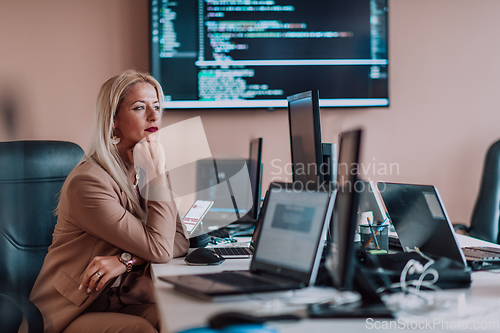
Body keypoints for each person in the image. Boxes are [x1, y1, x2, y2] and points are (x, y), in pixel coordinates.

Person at [19, 70, 189, 333]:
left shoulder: (146, 168)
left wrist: (126, 260)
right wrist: (157, 175)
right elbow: (160, 249)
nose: (154, 116)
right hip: (71, 312)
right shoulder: (88, 182)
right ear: (113, 120)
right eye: (139, 107)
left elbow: (178, 239)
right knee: (141, 330)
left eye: (156, 106)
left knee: (176, 318)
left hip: (115, 301)